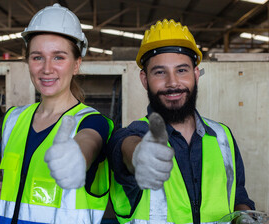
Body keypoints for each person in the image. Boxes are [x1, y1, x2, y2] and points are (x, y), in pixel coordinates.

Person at [107, 19, 255, 224]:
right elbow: (123, 147)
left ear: (195, 74)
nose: (173, 82)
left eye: (182, 70)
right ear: (144, 79)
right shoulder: (134, 135)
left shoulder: (223, 136)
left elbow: (237, 193)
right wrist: (139, 155)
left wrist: (244, 215)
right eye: (160, 72)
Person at [0, 3, 113, 224]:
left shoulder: (93, 123)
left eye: (59, 57)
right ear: (28, 62)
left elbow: (88, 142)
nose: (47, 68)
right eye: (37, 57)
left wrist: (77, 156)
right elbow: (5, 194)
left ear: (76, 64)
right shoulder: (13, 120)